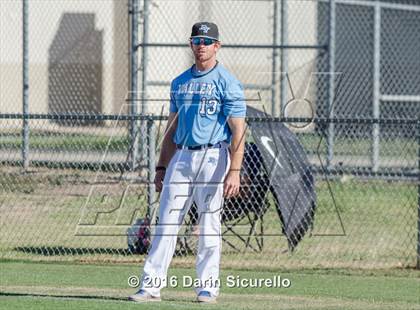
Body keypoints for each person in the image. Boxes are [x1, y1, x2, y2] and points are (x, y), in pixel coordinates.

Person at [129, 21, 246, 304]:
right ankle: (151, 286)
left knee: (208, 222)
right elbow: (171, 129)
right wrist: (161, 166)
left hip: (213, 155)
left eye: (207, 42)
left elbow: (239, 130)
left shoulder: (227, 81)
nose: (201, 46)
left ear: (217, 46)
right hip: (182, 156)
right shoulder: (180, 82)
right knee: (167, 222)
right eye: (197, 41)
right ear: (191, 44)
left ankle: (207, 288)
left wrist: (235, 170)